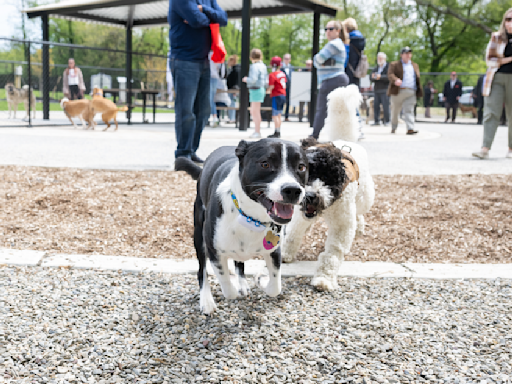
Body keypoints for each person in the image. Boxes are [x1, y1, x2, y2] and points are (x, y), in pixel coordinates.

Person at [168, 0, 227, 163]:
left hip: (204, 62)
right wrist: (210, 19)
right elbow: (196, 20)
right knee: (186, 110)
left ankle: (192, 150)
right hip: (184, 60)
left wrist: (204, 10)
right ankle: (182, 154)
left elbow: (224, 18)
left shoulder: (209, 0)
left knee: (203, 110)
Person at [473, 8, 512, 159]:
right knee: (491, 112)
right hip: (496, 78)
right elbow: (490, 60)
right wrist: (508, 59)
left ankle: (511, 149)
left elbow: (497, 60)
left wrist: (501, 60)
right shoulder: (497, 37)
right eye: (508, 19)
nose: (510, 23)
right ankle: (485, 149)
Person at [311, 20, 349, 139]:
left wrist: (322, 62)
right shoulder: (339, 44)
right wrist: (324, 62)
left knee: (322, 109)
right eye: (326, 29)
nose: (328, 31)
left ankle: (314, 136)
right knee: (338, 110)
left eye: (331, 29)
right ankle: (341, 135)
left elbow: (317, 60)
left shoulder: (333, 44)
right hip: (338, 78)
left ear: (338, 31)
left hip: (331, 80)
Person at [387, 46, 423, 135]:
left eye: (409, 53)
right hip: (398, 91)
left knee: (409, 110)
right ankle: (394, 127)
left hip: (411, 91)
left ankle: (410, 128)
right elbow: (390, 74)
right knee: (395, 110)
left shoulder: (415, 65)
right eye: (406, 53)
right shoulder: (394, 64)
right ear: (401, 55)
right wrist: (396, 80)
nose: (408, 55)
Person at [242, 48, 267, 139]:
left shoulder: (254, 66)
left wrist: (245, 79)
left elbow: (253, 79)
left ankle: (257, 131)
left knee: (254, 111)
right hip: (260, 89)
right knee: (255, 111)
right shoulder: (263, 65)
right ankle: (257, 131)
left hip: (256, 89)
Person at [267, 56, 287, 138]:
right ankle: (278, 130)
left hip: (276, 95)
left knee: (275, 115)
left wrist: (267, 91)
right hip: (283, 95)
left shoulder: (272, 75)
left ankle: (277, 132)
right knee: (279, 114)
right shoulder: (282, 74)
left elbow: (271, 86)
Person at [344, 18, 365, 87]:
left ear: (346, 28)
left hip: (347, 72)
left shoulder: (348, 40)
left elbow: (346, 57)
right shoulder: (361, 40)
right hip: (357, 71)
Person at [370, 52, 390, 126]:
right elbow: (371, 77)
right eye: (378, 58)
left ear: (384, 59)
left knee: (385, 106)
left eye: (381, 58)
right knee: (376, 106)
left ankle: (387, 121)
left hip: (385, 89)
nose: (379, 59)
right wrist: (373, 77)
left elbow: (389, 77)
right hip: (377, 89)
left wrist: (380, 77)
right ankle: (376, 121)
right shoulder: (376, 68)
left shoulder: (388, 67)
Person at [226, 55, 240, 124]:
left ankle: (232, 118)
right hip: (232, 88)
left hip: (233, 89)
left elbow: (234, 80)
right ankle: (232, 117)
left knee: (232, 103)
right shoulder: (233, 69)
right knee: (232, 102)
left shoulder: (235, 70)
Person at [281, 53, 293, 122]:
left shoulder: (291, 67)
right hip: (282, 86)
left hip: (289, 86)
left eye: (288, 59)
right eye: (285, 58)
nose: (286, 60)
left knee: (288, 101)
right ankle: (279, 115)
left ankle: (286, 116)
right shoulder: (281, 67)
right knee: (282, 101)